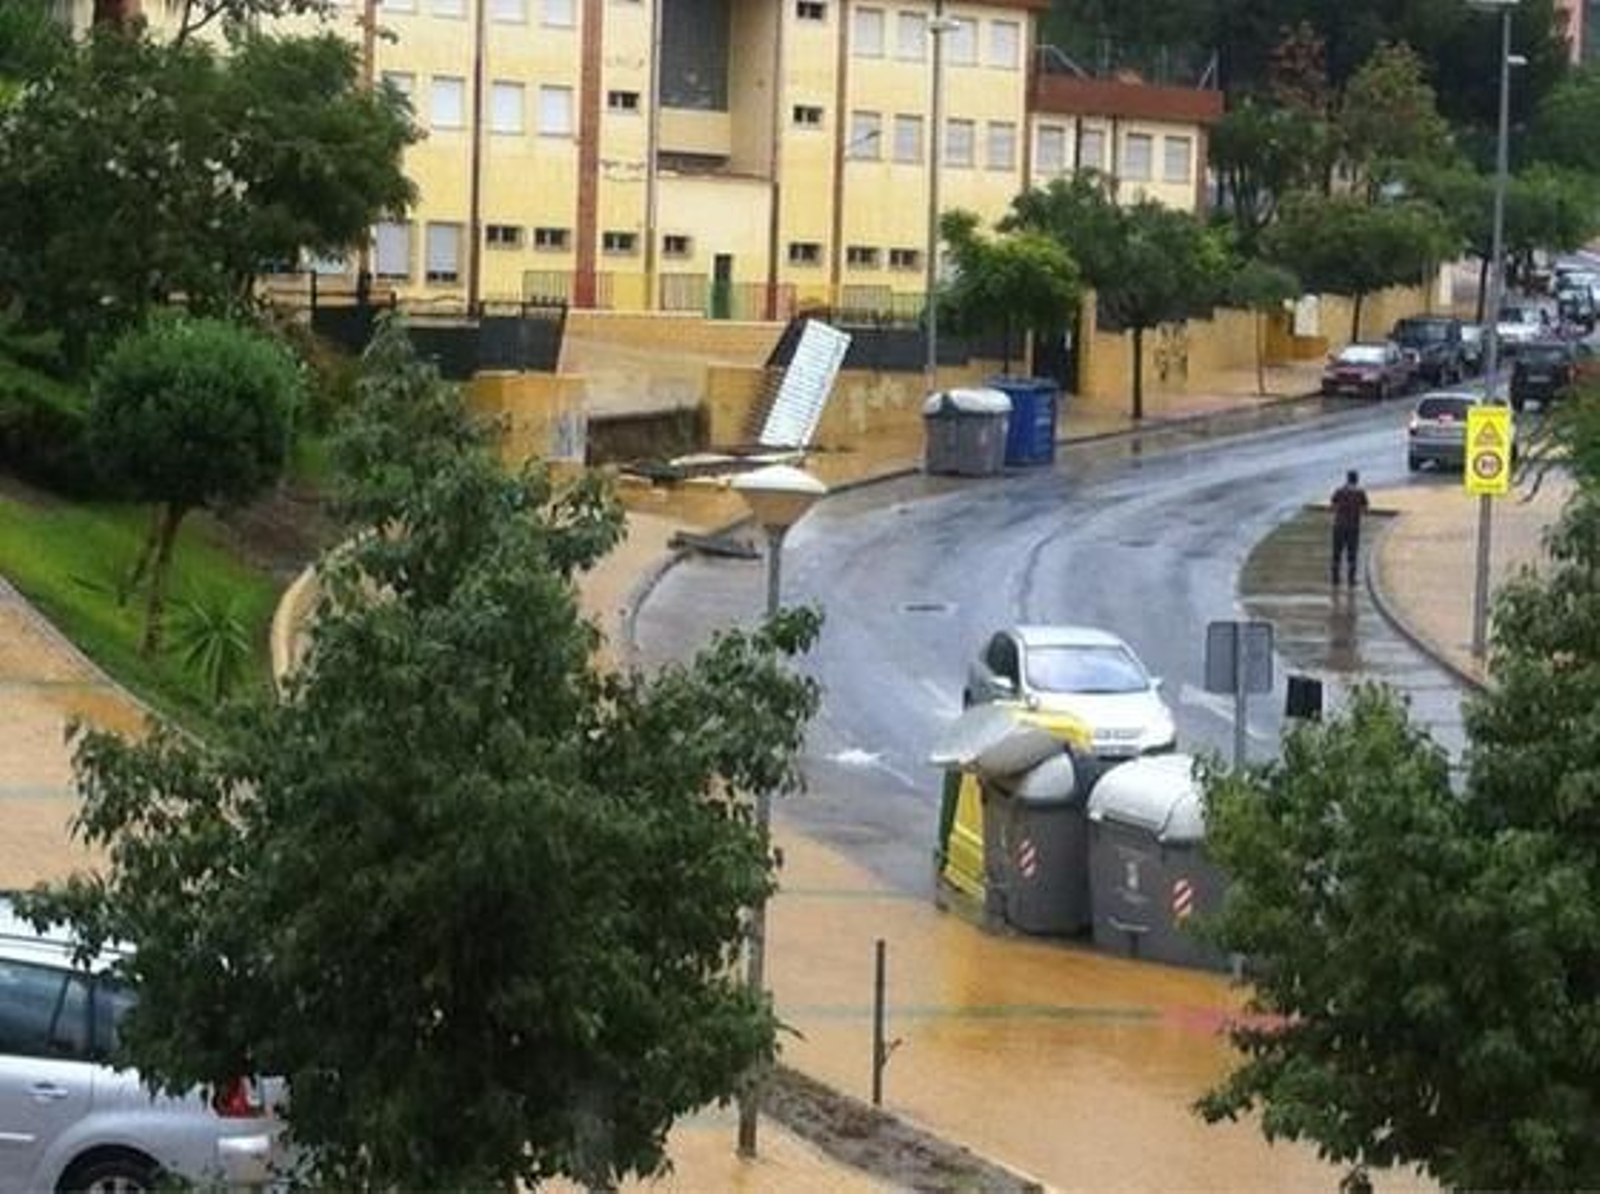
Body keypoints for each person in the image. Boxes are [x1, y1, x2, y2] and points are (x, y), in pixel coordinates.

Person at [1330, 469, 1369, 587]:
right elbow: (1365, 508)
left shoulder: (1339, 491)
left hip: (1338, 526)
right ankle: (1351, 580)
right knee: (1352, 554)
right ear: (1357, 480)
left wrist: (1339, 511)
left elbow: (1333, 504)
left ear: (1347, 479)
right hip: (1353, 527)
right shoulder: (1360, 492)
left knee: (1337, 552)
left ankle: (1335, 579)